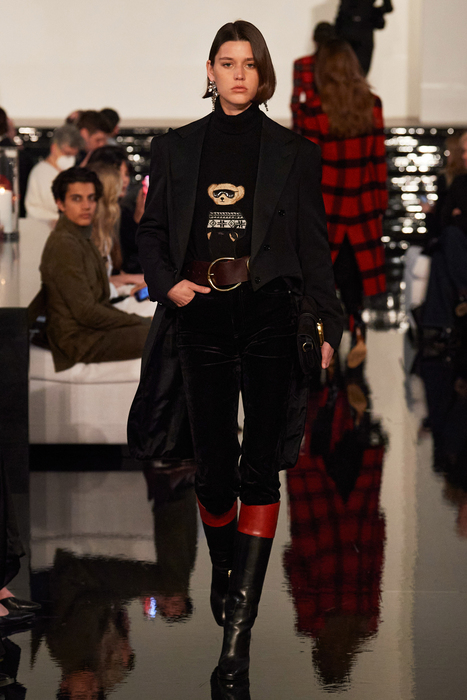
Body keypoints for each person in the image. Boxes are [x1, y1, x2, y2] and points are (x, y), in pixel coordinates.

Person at [128, 20, 343, 682]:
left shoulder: (294, 152)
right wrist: (170, 286)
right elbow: (151, 233)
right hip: (201, 313)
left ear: (262, 73)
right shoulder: (175, 148)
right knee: (213, 466)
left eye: (249, 63)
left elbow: (313, 246)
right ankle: (226, 568)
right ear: (210, 71)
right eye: (227, 63)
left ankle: (237, 636)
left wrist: (329, 325)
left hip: (270, 309)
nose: (239, 74)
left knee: (260, 467)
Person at [300, 39, 388, 368]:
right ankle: (359, 329)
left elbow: (308, 166)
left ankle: (328, 339)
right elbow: (378, 160)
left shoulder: (315, 108)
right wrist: (380, 204)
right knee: (354, 272)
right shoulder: (372, 104)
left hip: (328, 204)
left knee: (326, 274)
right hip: (362, 203)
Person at [38, 167, 150, 371]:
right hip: (78, 341)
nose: (86, 206)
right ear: (60, 203)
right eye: (77, 199)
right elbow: (87, 313)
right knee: (163, 335)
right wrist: (139, 321)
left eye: (91, 198)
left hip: (90, 330)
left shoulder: (80, 235)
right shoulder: (64, 244)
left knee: (163, 329)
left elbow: (97, 302)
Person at [86, 160, 145, 292]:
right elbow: (91, 286)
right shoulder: (87, 232)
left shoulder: (106, 228)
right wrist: (128, 282)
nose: (125, 181)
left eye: (126, 174)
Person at [25, 124, 83, 226]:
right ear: (54, 148)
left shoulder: (69, 173)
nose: (70, 159)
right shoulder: (42, 172)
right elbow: (54, 204)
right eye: (67, 154)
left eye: (74, 155)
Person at [291, 21, 336, 134]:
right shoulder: (338, 64)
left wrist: (296, 128)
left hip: (311, 119)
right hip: (335, 119)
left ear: (314, 39)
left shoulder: (301, 63)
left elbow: (295, 99)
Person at [335, 0, 393, 75]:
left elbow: (340, 17)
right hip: (359, 35)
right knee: (357, 72)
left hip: (353, 34)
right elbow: (388, 8)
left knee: (350, 71)